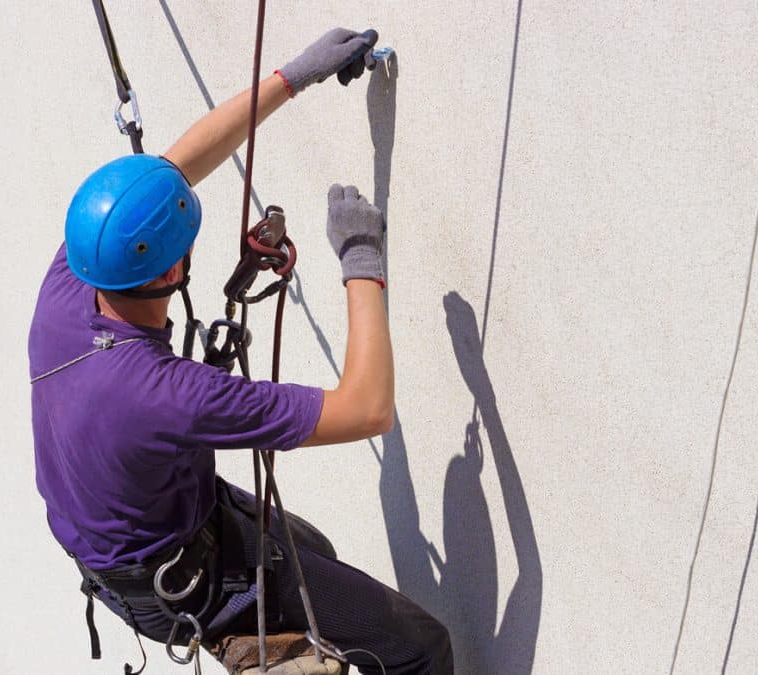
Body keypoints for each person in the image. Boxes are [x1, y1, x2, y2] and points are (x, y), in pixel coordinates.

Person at [28, 27, 452, 675]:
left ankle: (267, 630)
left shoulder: (74, 276)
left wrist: (292, 76)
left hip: (133, 539)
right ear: (175, 271)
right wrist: (362, 258)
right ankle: (245, 632)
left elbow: (174, 166)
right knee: (419, 645)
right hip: (180, 582)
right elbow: (368, 409)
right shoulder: (163, 392)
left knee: (315, 550)